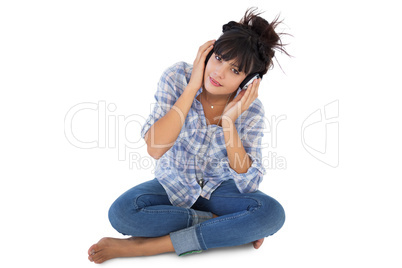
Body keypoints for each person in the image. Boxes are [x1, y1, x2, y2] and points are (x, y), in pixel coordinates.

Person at [88, 8, 289, 264]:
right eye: (218, 58)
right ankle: (220, 228)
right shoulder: (177, 77)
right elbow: (155, 148)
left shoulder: (252, 110)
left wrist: (228, 121)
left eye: (235, 70)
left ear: (248, 81)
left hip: (220, 192)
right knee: (123, 214)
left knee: (271, 214)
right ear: (207, 53)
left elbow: (249, 184)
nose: (219, 72)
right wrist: (192, 86)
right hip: (172, 185)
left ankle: (145, 248)